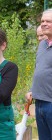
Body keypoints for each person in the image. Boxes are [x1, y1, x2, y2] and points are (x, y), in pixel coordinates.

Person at [26, 9, 52, 140]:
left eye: (48, 21)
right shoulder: (42, 45)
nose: (44, 24)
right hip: (40, 102)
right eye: (42, 21)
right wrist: (32, 90)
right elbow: (40, 70)